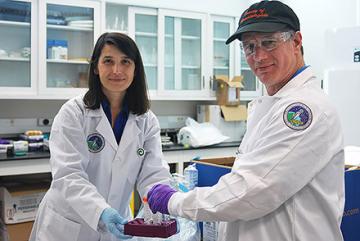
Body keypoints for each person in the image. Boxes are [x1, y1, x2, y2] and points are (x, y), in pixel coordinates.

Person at [147, 1, 345, 241]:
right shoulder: (271, 104)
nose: (258, 56)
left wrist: (175, 201)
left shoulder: (303, 109)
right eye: (249, 47)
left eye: (268, 43)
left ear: (296, 42)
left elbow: (253, 190)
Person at [30, 32, 171, 241]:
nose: (117, 70)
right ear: (96, 67)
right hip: (69, 226)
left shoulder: (146, 120)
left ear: (135, 69)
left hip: (118, 224)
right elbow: (69, 175)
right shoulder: (73, 113)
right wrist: (101, 211)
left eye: (125, 62)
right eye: (108, 61)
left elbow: (153, 174)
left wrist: (159, 203)